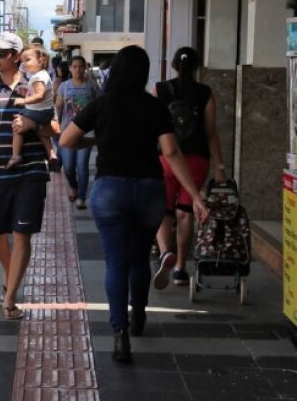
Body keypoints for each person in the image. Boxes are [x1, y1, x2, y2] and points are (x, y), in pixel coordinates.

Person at [60, 45, 207, 363]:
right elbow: (170, 151)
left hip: (110, 190)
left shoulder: (101, 104)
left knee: (116, 261)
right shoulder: (155, 108)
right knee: (140, 258)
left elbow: (66, 140)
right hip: (150, 191)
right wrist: (195, 195)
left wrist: (98, 139)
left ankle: (119, 334)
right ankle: (138, 316)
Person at [0, 31, 48, 321]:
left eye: (1, 53)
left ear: (16, 56)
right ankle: (9, 275)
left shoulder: (35, 86)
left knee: (22, 234)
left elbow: (54, 127)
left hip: (30, 171)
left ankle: (10, 297)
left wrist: (32, 124)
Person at [153, 47, 226, 288]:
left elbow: (149, 126)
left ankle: (165, 252)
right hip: (196, 160)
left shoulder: (160, 89)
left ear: (173, 65)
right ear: (196, 66)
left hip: (165, 157)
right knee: (185, 211)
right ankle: (180, 268)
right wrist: (220, 166)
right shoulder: (205, 92)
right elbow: (210, 132)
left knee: (163, 210)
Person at [55, 56, 103, 209]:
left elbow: (101, 104)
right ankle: (73, 186)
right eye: (74, 66)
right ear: (70, 68)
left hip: (86, 132)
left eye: (80, 66)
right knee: (68, 166)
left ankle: (81, 197)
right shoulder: (64, 86)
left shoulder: (91, 86)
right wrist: (56, 127)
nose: (78, 70)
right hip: (67, 131)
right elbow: (58, 107)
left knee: (82, 165)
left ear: (85, 68)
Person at [6, 45, 55, 169]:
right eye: (23, 61)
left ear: (41, 60)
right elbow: (37, 92)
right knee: (44, 135)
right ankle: (52, 154)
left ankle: (16, 155)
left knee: (17, 126)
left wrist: (23, 100)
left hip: (37, 112)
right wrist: (26, 89)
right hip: (45, 112)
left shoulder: (38, 77)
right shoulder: (41, 75)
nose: (24, 64)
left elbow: (39, 95)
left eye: (28, 60)